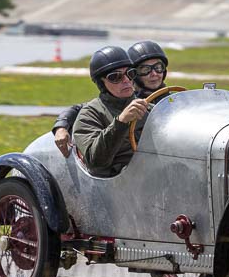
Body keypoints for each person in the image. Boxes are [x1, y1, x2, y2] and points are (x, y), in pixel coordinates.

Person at [52, 40, 169, 157]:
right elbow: (80, 110)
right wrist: (61, 126)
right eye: (145, 69)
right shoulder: (101, 108)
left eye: (158, 67)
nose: (154, 74)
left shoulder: (172, 100)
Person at [71, 46, 148, 177]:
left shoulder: (149, 107)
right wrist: (121, 122)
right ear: (101, 83)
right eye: (116, 77)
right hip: (118, 183)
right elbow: (96, 161)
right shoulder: (89, 114)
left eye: (130, 73)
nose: (126, 80)